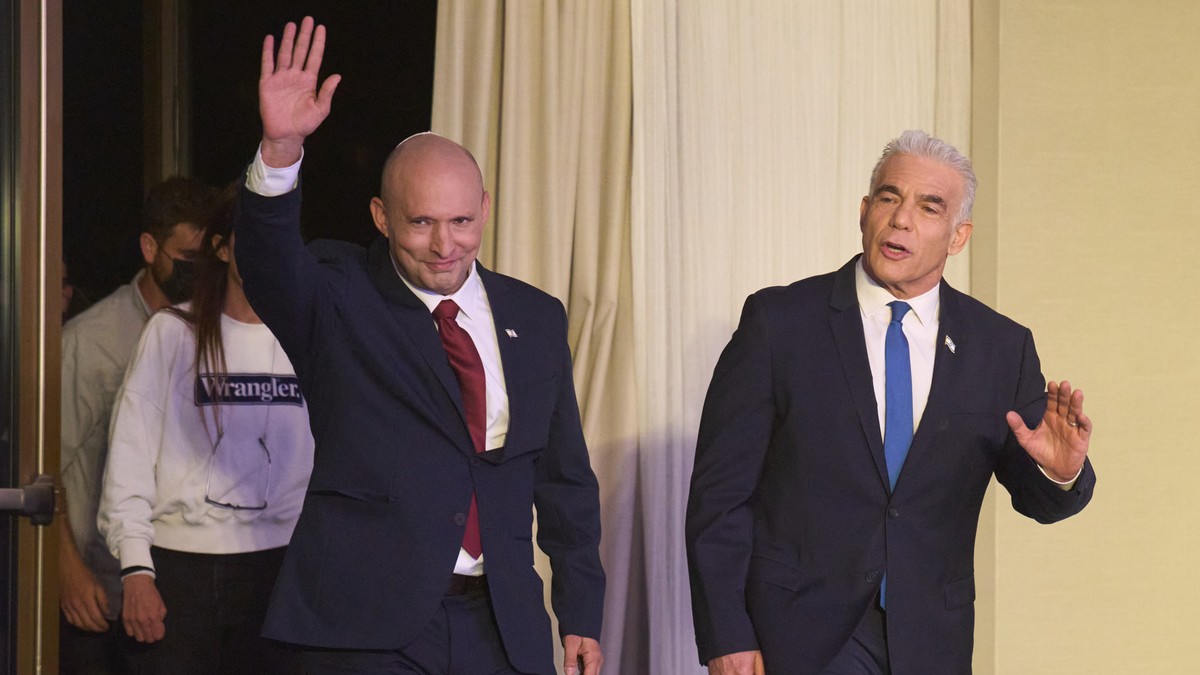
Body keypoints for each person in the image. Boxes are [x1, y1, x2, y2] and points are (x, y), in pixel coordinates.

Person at [231, 17, 605, 675]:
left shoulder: (536, 317)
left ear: (485, 208)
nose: (444, 245)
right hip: (366, 627)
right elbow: (268, 266)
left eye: (461, 221)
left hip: (502, 626)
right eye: (422, 222)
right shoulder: (341, 297)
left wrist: (580, 614)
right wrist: (281, 149)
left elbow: (564, 479)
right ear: (381, 216)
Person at [685, 130, 1097, 675]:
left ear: (958, 236)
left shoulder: (1000, 348)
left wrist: (1060, 473)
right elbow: (719, 496)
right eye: (889, 197)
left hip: (929, 641)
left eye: (929, 207)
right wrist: (727, 635)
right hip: (798, 634)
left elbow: (1037, 499)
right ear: (864, 212)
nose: (901, 219)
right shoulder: (780, 324)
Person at [97, 191, 314, 674]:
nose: (267, 251)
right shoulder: (173, 331)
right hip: (181, 569)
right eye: (252, 238)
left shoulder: (308, 336)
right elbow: (130, 454)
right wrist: (135, 569)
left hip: (279, 569)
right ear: (221, 247)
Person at [59, 176, 215, 674]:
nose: (198, 271)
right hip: (100, 590)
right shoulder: (92, 341)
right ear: (150, 248)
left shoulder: (215, 330)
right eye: (186, 258)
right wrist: (66, 570)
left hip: (181, 589)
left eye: (207, 259)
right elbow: (40, 464)